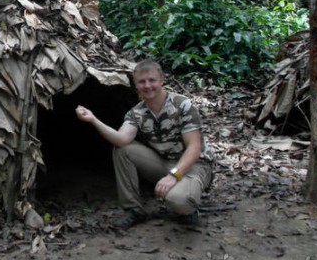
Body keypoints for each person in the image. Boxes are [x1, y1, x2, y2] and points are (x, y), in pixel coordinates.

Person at [76, 59, 214, 229]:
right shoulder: (137, 113)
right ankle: (134, 210)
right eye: (142, 82)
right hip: (164, 162)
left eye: (152, 80)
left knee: (177, 200)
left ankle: (188, 208)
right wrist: (93, 120)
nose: (147, 85)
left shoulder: (182, 105)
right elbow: (121, 139)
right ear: (136, 85)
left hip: (194, 165)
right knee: (123, 150)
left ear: (162, 80)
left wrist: (173, 176)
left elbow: (194, 148)